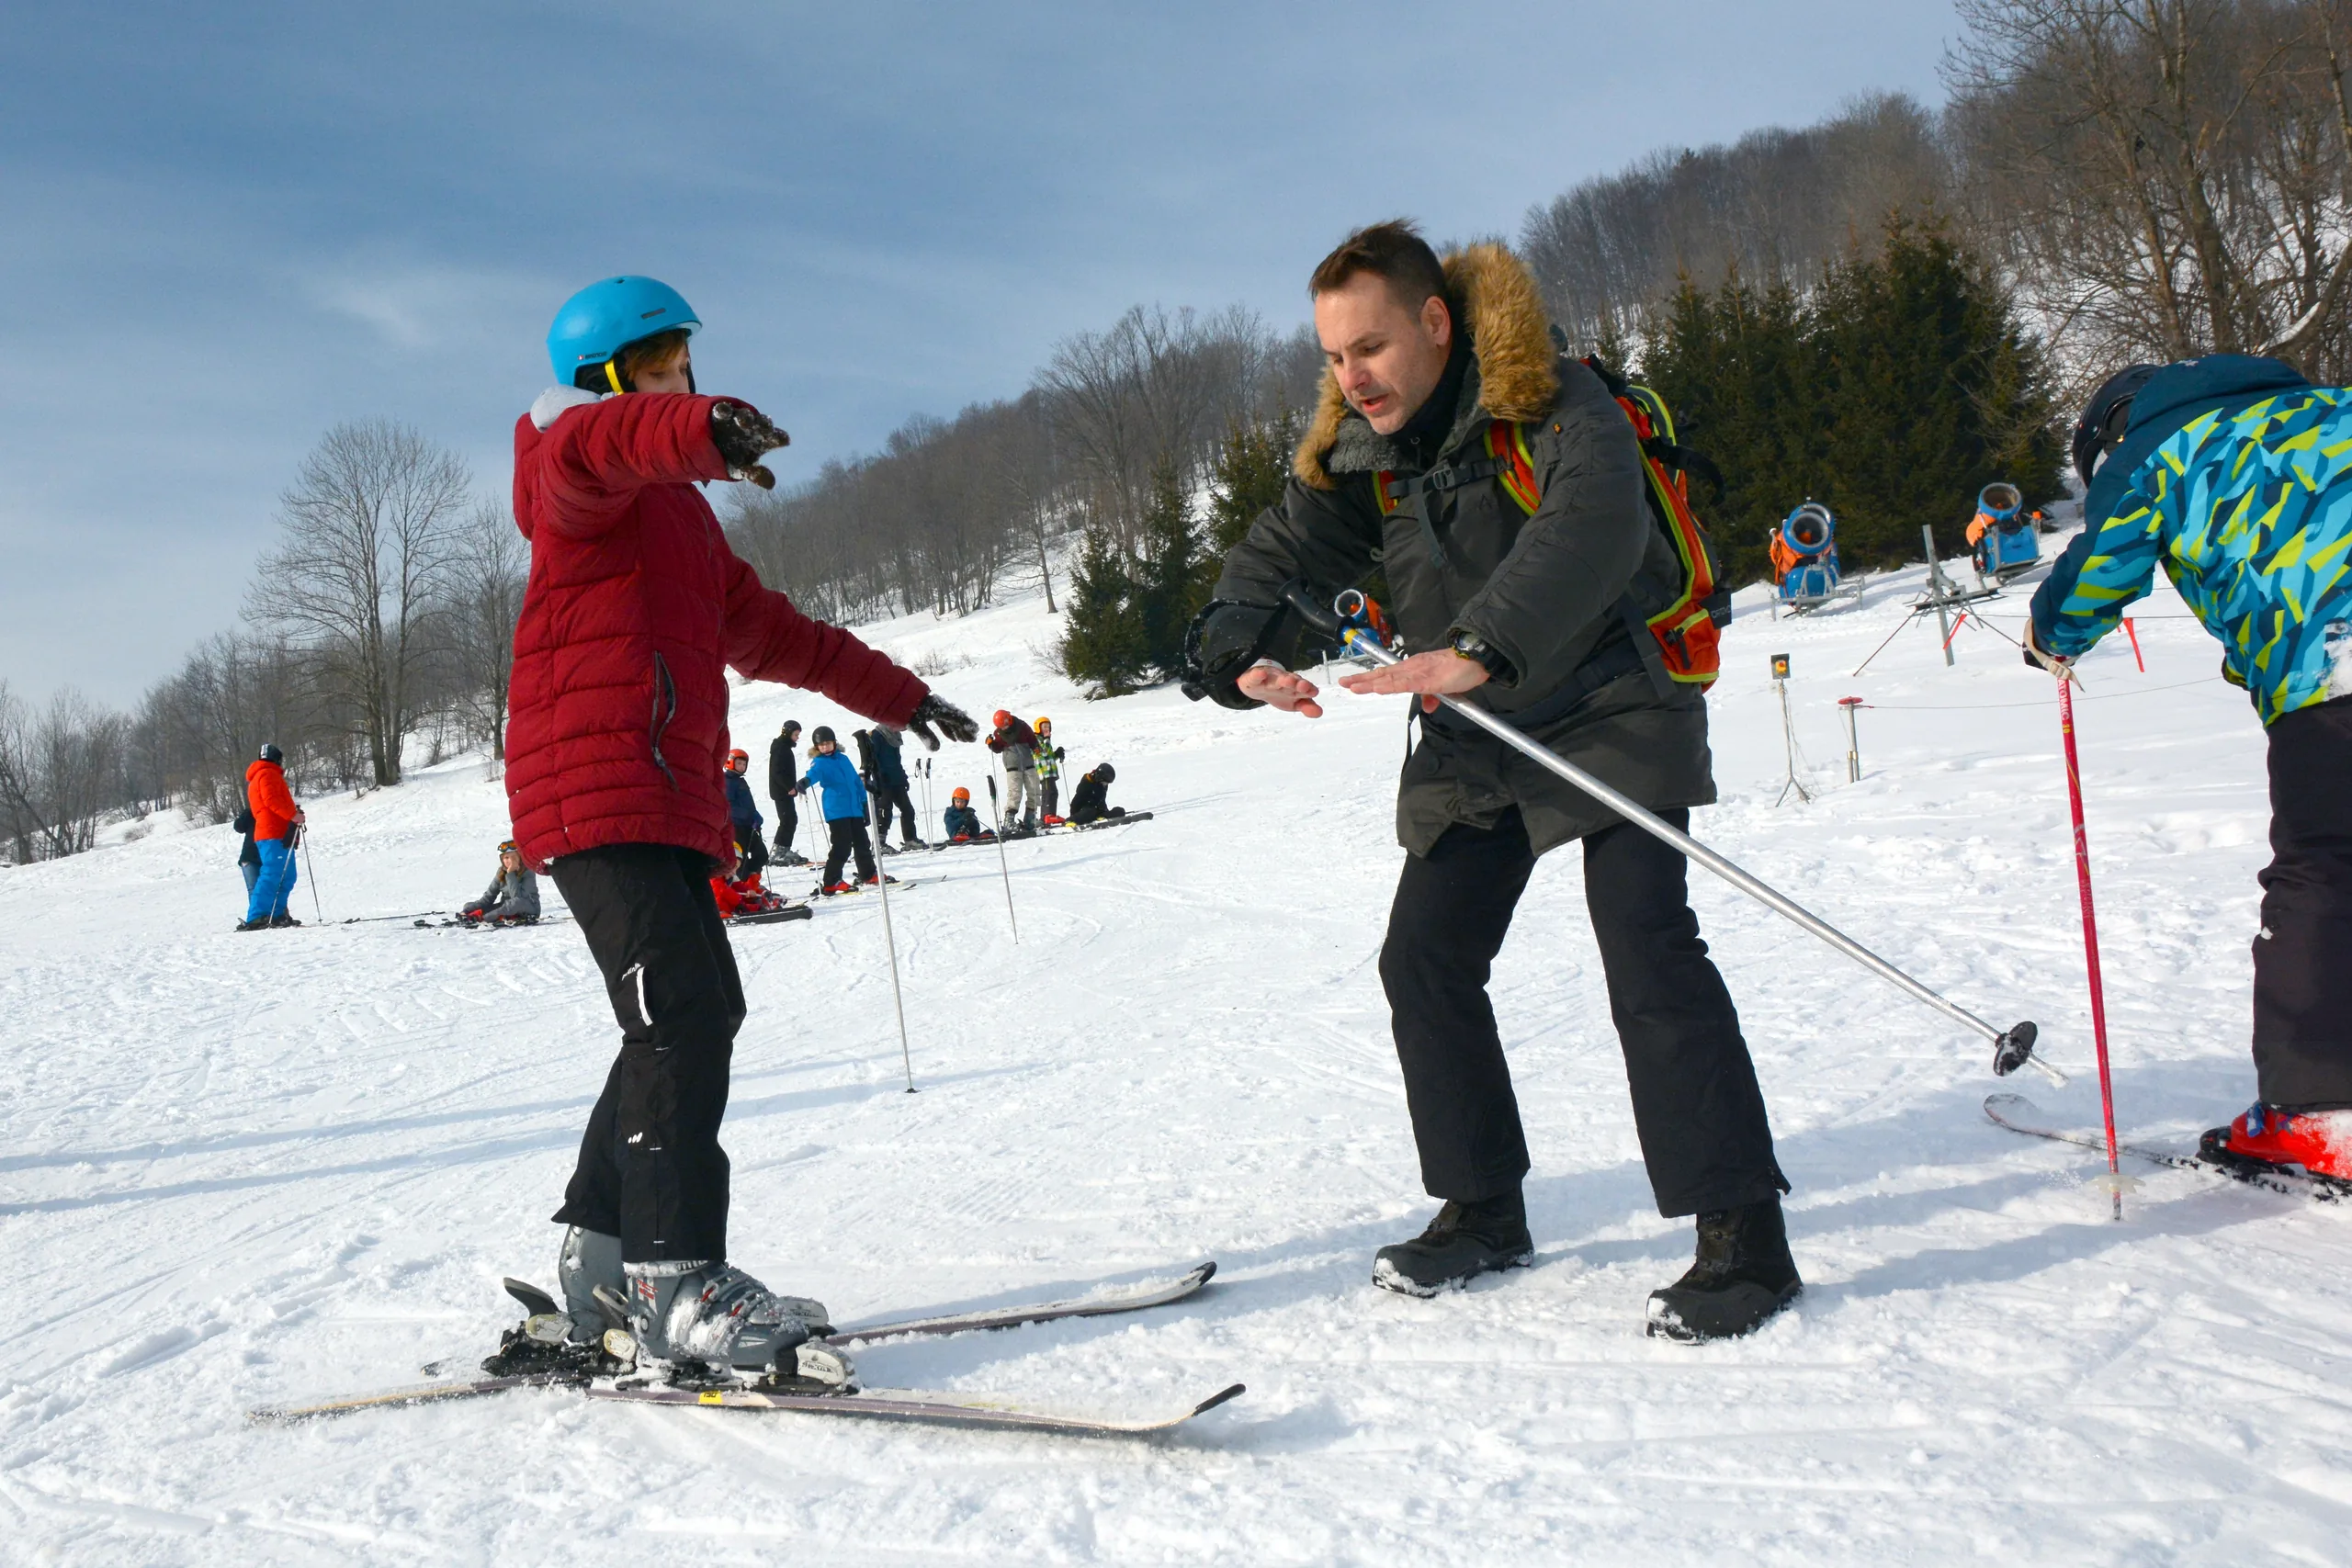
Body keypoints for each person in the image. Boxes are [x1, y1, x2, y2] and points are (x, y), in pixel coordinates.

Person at [1186, 220, 1795, 1340]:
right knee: (1425, 956)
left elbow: (1593, 525)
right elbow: (1273, 553)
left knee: (1644, 941)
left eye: (1367, 348)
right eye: (1330, 357)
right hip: (1478, 719)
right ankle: (1482, 1209)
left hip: (1614, 693)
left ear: (1433, 323)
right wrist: (1234, 657)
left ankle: (1742, 1237)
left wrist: (1482, 642)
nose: (1350, 378)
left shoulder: (1556, 400)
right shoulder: (1366, 454)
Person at [507, 275, 977, 1384]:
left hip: (658, 793)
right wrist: (693, 430)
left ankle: (604, 1263)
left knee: (694, 1009)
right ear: (612, 378)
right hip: (591, 781)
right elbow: (602, 450)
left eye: (691, 371)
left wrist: (902, 697)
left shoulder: (683, 521)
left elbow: (773, 634)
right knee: (678, 1018)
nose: (689, 386)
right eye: (668, 371)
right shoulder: (564, 456)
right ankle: (676, 1284)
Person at [2030, 354, 2352, 1185]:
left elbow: (2100, 569)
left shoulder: (2157, 449)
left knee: (2326, 868)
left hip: (2332, 670)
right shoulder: (2333, 405)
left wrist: (2049, 637)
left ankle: (2317, 1113)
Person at [799, 726, 883, 894]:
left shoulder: (843, 759)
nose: (825, 747)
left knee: (862, 843)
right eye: (821, 745)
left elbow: (855, 782)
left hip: (854, 809)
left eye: (828, 743)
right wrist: (805, 782)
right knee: (842, 846)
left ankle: (868, 874)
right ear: (817, 747)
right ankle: (831, 881)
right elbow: (813, 774)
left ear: (834, 743)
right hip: (836, 810)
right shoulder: (820, 763)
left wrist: (864, 804)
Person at [238, 743, 305, 931]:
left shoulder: (264, 774)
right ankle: (257, 916)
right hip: (271, 832)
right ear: (277, 759)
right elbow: (271, 800)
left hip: (279, 832)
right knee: (272, 875)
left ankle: (276, 914)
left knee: (287, 876)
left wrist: (293, 816)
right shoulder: (267, 774)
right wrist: (293, 816)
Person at [985, 709, 1042, 836]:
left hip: (1028, 764)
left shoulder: (1021, 726)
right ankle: (1009, 821)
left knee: (1034, 790)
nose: (1004, 727)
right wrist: (991, 744)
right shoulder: (998, 733)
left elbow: (1032, 739)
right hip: (1012, 766)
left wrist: (1036, 748)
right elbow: (998, 749)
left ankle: (1030, 819)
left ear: (1008, 718)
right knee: (1015, 793)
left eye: (1005, 723)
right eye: (1001, 726)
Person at [866, 723, 922, 850]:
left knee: (908, 810)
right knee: (885, 812)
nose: (902, 728)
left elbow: (896, 761)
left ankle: (910, 839)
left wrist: (903, 778)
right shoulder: (877, 736)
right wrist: (879, 776)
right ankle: (879, 843)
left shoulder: (894, 736)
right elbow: (873, 759)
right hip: (883, 782)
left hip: (897, 781)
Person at [461, 840, 542, 925]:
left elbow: (517, 897)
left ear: (520, 858)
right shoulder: (501, 872)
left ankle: (482, 918)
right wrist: (466, 910)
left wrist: (510, 874)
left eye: (514, 858)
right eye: (506, 858)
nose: (509, 861)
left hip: (529, 908)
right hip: (505, 907)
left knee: (515, 903)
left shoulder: (528, 872)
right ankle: (472, 915)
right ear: (502, 860)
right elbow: (488, 898)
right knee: (469, 906)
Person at [722, 749, 768, 879]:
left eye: (744, 764)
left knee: (762, 854)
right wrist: (748, 815)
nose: (742, 767)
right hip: (736, 828)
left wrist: (756, 815)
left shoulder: (740, 780)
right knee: (740, 859)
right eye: (739, 764)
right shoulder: (727, 781)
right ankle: (743, 884)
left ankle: (752, 880)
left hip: (749, 826)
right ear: (730, 762)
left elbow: (747, 804)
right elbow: (728, 806)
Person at [768, 721, 807, 866]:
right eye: (795, 735)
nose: (797, 738)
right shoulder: (780, 748)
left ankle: (784, 849)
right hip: (781, 791)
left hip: (784, 791)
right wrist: (788, 787)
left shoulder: (783, 747)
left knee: (791, 819)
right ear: (787, 733)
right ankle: (777, 852)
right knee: (788, 820)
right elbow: (777, 771)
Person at [1067, 762, 1125, 826]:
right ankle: (1071, 820)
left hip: (1097, 809)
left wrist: (1104, 812)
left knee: (1120, 811)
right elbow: (1079, 801)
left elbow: (1101, 800)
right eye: (1104, 782)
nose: (1105, 785)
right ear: (1099, 777)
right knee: (1090, 812)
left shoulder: (1102, 784)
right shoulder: (1087, 782)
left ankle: (1101, 816)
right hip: (1083, 810)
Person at [1034, 716, 1066, 821]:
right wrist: (1047, 739)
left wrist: (1057, 754)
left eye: (1048, 727)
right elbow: (1043, 753)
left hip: (1049, 771)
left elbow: (1049, 757)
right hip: (1044, 772)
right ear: (1038, 728)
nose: (1046, 729)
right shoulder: (1036, 740)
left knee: (1053, 792)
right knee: (1049, 792)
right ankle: (1047, 815)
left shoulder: (1044, 740)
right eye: (1044, 727)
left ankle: (1049, 815)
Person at [232, 803, 260, 899]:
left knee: (270, 888)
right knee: (254, 889)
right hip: (249, 856)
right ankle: (257, 914)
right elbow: (239, 827)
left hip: (264, 856)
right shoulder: (252, 812)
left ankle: (277, 913)